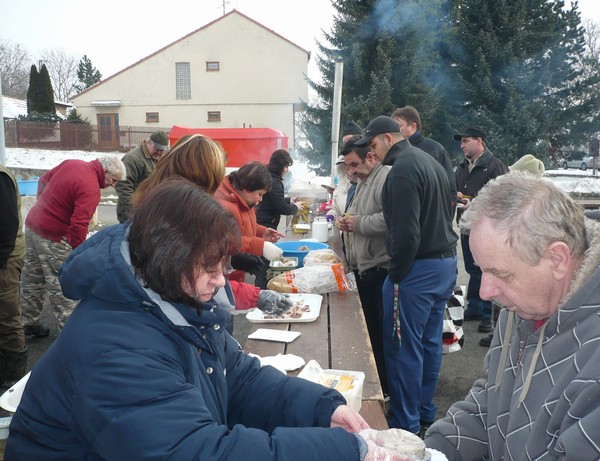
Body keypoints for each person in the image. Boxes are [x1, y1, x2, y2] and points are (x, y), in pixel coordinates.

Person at [5, 180, 415, 461]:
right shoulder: (115, 350)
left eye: (223, 264)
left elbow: (237, 378)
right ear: (169, 261)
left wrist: (322, 410)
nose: (222, 281)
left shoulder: (175, 300)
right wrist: (342, 451)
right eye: (211, 268)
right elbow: (200, 453)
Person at [425, 171, 600, 460]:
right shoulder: (523, 304)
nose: (486, 291)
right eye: (481, 269)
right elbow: (492, 399)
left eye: (500, 274)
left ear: (558, 259)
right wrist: (432, 451)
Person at [356, 115, 458, 436]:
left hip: (417, 269)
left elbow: (405, 233)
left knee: (403, 348)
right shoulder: (429, 161)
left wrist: (396, 275)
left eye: (373, 145)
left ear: (389, 137)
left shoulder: (401, 171)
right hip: (444, 263)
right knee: (428, 342)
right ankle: (425, 410)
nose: (373, 153)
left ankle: (405, 422)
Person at [132, 134, 273, 311]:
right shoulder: (182, 212)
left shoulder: (155, 202)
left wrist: (232, 261)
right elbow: (193, 284)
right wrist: (255, 296)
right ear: (203, 177)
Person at [20, 156, 126, 338]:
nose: (112, 186)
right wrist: (79, 254)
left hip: (32, 226)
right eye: (113, 180)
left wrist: (43, 207)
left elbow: (44, 179)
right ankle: (70, 334)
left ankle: (28, 322)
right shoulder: (91, 188)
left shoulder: (72, 163)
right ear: (105, 171)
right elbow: (79, 225)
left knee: (32, 277)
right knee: (61, 283)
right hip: (54, 237)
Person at [337, 138, 391, 396]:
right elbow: (357, 214)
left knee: (381, 337)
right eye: (348, 166)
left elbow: (389, 220)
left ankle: (383, 389)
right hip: (365, 268)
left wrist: (356, 223)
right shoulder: (364, 181)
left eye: (354, 164)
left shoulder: (386, 177)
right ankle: (375, 383)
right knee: (369, 331)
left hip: (380, 268)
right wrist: (345, 221)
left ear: (371, 156)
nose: (352, 171)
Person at [479, 153, 545, 348]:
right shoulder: (530, 198)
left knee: (508, 302)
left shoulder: (531, 202)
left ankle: (502, 335)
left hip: (518, 264)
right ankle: (500, 333)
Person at [454, 126, 508, 335]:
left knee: (485, 270)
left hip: (487, 228)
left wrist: (475, 204)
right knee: (471, 269)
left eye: (466, 141)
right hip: (467, 226)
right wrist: (457, 196)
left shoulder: (495, 166)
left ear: (480, 141)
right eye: (461, 142)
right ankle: (475, 308)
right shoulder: (461, 167)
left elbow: (503, 198)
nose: (462, 145)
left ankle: (487, 316)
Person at [214, 162, 284, 285]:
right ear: (246, 187)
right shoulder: (225, 207)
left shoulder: (245, 201)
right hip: (223, 279)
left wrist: (262, 232)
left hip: (237, 274)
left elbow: (244, 225)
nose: (261, 199)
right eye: (260, 194)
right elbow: (226, 240)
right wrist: (260, 246)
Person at [391, 106, 456, 211]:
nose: (394, 132)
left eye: (398, 127)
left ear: (413, 126)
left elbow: (450, 190)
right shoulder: (394, 153)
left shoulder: (436, 150)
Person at [0, 164, 28, 388]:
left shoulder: (0, 178)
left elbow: (7, 227)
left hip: (5, 258)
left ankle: (13, 381)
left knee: (6, 316)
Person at [115, 130, 169, 223]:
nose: (160, 153)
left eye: (162, 150)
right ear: (149, 143)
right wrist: (134, 210)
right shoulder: (132, 158)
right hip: (133, 214)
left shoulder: (158, 158)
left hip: (149, 211)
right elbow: (123, 186)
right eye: (157, 149)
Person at [256, 149, 305, 230]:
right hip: (265, 224)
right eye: (286, 167)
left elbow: (274, 201)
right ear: (279, 166)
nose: (287, 170)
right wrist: (296, 207)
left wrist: (289, 200)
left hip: (261, 221)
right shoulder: (274, 182)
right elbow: (281, 208)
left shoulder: (269, 176)